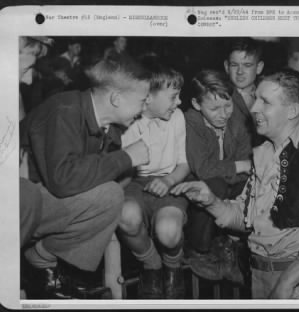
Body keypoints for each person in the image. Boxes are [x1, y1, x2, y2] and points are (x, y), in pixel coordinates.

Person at [171, 68, 299, 299]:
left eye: (265, 102)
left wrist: (287, 283)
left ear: (292, 110)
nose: (253, 108)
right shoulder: (263, 153)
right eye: (256, 98)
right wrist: (211, 201)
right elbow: (247, 218)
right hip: (258, 277)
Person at [20, 52, 151, 299]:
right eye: (143, 101)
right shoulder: (65, 109)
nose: (144, 109)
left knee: (110, 196)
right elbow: (63, 179)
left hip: (43, 201)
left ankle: (41, 262)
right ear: (116, 98)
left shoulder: (108, 128)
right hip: (19, 205)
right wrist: (126, 158)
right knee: (110, 194)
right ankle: (41, 268)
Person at [118, 56, 189, 299]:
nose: (178, 102)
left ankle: (173, 266)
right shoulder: (126, 121)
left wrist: (169, 181)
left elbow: (183, 164)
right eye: (173, 97)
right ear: (147, 97)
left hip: (170, 181)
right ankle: (152, 265)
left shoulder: (177, 117)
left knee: (168, 232)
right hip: (133, 183)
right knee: (126, 216)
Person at [183, 69, 252, 285]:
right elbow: (203, 169)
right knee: (214, 185)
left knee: (248, 188)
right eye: (214, 108)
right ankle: (199, 249)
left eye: (228, 105)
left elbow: (246, 163)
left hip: (228, 185)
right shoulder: (190, 122)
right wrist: (238, 167)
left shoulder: (237, 123)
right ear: (196, 104)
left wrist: (239, 171)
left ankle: (232, 245)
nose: (223, 113)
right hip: (198, 188)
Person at [224, 37, 265, 147]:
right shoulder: (220, 98)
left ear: (259, 67)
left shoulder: (268, 95)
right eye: (234, 65)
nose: (240, 71)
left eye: (247, 65)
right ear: (226, 67)